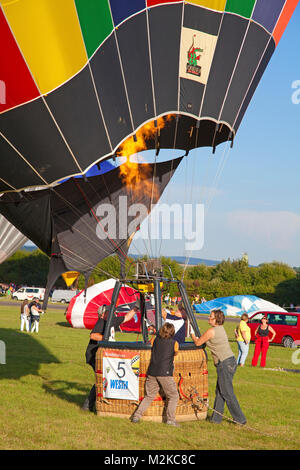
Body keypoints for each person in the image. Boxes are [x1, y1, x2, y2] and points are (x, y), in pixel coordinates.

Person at [191, 309, 246, 425]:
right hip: (230, 361)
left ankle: (240, 419)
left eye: (210, 316)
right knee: (220, 391)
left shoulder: (212, 331)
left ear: (216, 319)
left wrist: (191, 333)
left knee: (226, 392)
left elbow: (198, 342)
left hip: (224, 364)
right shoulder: (220, 329)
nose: (208, 318)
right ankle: (216, 419)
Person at [82, 304, 138, 412]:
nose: (112, 313)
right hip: (95, 355)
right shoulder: (101, 322)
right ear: (103, 314)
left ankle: (100, 403)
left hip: (104, 355)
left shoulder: (112, 321)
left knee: (104, 378)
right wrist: (105, 338)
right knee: (102, 378)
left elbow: (127, 317)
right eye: (109, 311)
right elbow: (93, 335)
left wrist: (135, 309)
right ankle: (88, 404)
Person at [131, 322, 179, 426]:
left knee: (149, 396)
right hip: (165, 373)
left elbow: (152, 346)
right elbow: (176, 352)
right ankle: (170, 420)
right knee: (174, 396)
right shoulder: (174, 343)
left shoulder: (155, 339)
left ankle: (136, 416)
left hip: (152, 371)